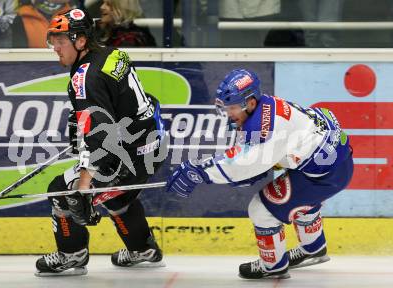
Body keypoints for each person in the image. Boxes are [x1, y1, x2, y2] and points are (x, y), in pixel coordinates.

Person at [166, 69, 354, 279]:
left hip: (325, 175)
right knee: (300, 202)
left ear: (251, 102)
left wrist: (198, 171)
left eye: (233, 108)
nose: (228, 113)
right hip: (331, 162)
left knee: (262, 208)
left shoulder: (266, 127)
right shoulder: (265, 106)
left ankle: (273, 265)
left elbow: (241, 164)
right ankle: (314, 249)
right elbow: (253, 157)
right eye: (225, 108)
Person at [35, 8, 166, 276]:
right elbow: (136, 100)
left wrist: (83, 187)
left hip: (125, 158)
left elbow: (100, 140)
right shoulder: (112, 54)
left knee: (61, 192)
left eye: (61, 41)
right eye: (54, 41)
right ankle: (143, 249)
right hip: (153, 148)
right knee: (119, 195)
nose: (55, 48)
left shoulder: (84, 77)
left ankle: (72, 255)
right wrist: (82, 120)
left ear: (80, 41)